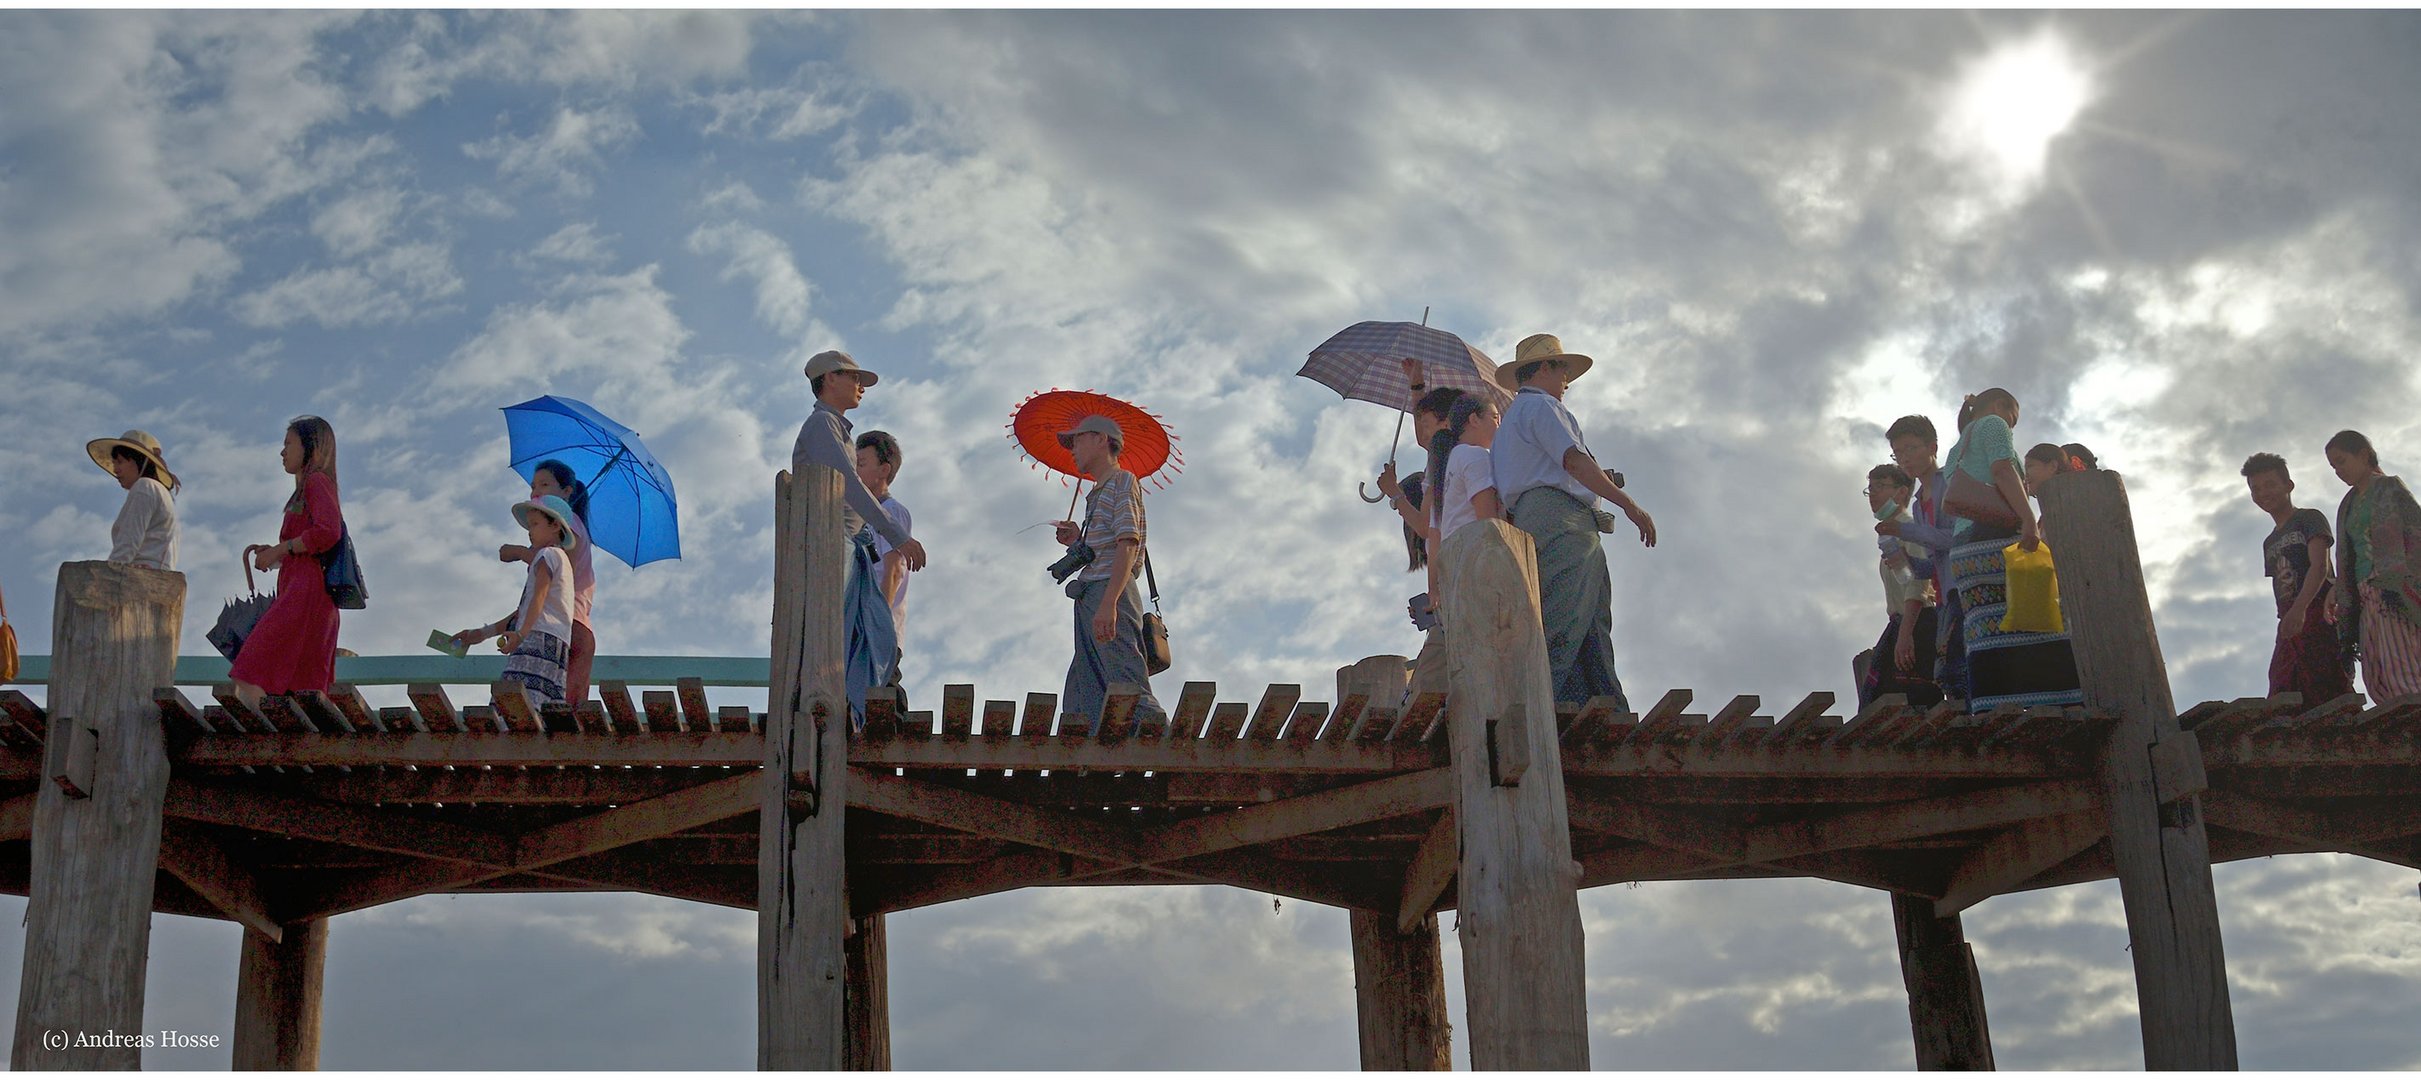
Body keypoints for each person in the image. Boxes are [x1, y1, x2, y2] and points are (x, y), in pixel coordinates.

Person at [1489, 333, 1655, 708]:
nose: (1567, 381)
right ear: (1546, 368)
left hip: (1535, 518)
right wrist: (1629, 505)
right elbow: (1574, 462)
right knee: (1565, 617)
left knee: (1589, 616)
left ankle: (1598, 703)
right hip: (1561, 520)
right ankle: (1537, 708)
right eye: (1563, 370)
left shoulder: (1508, 426)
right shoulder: (1544, 408)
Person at [792, 350, 928, 725]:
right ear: (830, 379)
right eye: (853, 378)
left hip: (844, 546)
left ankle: (850, 714)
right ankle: (845, 714)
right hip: (831, 546)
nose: (859, 387)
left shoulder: (835, 428)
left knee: (857, 637)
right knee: (841, 637)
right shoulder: (822, 425)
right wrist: (898, 536)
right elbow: (849, 485)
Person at [1941, 390, 2078, 710]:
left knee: (1987, 626)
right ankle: (2062, 698)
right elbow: (2002, 469)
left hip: (1964, 549)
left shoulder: (1956, 447)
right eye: (2012, 419)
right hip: (1992, 539)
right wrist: (2028, 518)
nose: (2011, 427)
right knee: (2038, 613)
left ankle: (1993, 702)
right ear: (1998, 406)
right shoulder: (1991, 424)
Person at [1051, 414, 1168, 732]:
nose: (1072, 448)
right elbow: (1104, 547)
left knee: (1125, 679)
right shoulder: (1097, 492)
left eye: (1077, 439)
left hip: (1108, 591)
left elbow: (1127, 544)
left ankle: (1158, 743)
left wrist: (1109, 604)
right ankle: (1089, 744)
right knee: (1086, 685)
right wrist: (1078, 539)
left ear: (1101, 440)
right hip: (1091, 592)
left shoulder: (1122, 481)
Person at [228, 416, 346, 710]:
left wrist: (282, 548)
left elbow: (328, 532)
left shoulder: (316, 481)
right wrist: (277, 552)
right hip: (306, 592)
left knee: (249, 670)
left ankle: (266, 735)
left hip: (304, 595)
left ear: (310, 447)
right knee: (299, 686)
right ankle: (280, 738)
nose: (282, 452)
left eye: (289, 444)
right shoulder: (310, 486)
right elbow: (312, 542)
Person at [2242, 452, 2353, 704]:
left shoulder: (2308, 518)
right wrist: (2287, 617)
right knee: (2283, 684)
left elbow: (2320, 566)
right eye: (2255, 488)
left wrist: (2300, 608)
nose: (2263, 493)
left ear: (2288, 485)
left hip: (2318, 608)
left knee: (2325, 680)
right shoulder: (2269, 542)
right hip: (2289, 619)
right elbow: (2280, 586)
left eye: (2270, 484)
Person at [457, 496, 580, 711]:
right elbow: (525, 610)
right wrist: (481, 634)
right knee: (541, 707)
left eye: (535, 524)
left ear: (555, 526)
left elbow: (538, 597)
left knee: (511, 701)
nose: (529, 531)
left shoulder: (548, 554)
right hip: (556, 645)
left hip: (536, 638)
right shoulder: (563, 562)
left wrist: (521, 634)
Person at [2323, 430, 2421, 701]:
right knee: (2377, 673)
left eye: (2341, 461)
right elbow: (2348, 555)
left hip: (2393, 590)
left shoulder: (2389, 487)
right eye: (2333, 466)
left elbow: (2416, 535)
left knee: (2404, 666)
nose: (2338, 471)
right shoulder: (2347, 504)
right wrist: (2338, 589)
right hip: (2363, 596)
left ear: (2363, 454)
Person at [499, 460, 596, 703]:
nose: (536, 491)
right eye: (533, 486)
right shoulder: (569, 527)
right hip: (574, 628)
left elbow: (560, 572)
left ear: (567, 492)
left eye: (545, 484)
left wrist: (521, 552)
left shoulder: (569, 523)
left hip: (561, 627)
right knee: (561, 716)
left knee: (535, 706)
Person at [1878, 415, 1958, 689]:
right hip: (1944, 597)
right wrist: (1906, 561)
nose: (1904, 458)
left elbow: (1957, 539)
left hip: (1963, 588)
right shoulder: (1917, 503)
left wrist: (1907, 533)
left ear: (1932, 447)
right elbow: (1933, 564)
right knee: (1949, 675)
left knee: (1957, 671)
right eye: (1898, 452)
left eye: (1911, 448)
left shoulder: (1950, 484)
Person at [1860, 464, 1941, 708]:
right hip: (1901, 623)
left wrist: (1905, 635)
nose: (1873, 494)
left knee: (1908, 701)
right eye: (1870, 489)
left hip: (1917, 623)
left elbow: (1917, 588)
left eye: (1880, 487)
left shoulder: (1909, 528)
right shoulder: (1889, 534)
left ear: (1902, 492)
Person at [87, 429, 179, 571]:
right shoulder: (160, 492)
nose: (115, 469)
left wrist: (112, 570)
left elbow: (129, 540)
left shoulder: (145, 486)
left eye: (120, 462)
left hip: (145, 573)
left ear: (140, 461)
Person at [855, 431, 912, 639]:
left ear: (884, 470)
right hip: (863, 625)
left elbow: (893, 571)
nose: (854, 470)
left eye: (860, 464)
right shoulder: (862, 516)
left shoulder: (892, 511)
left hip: (878, 631)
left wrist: (878, 625)